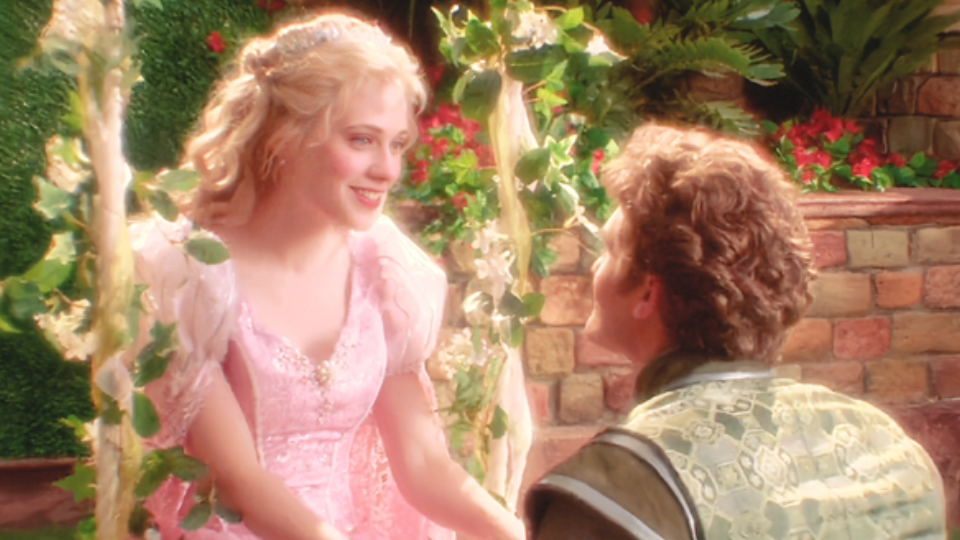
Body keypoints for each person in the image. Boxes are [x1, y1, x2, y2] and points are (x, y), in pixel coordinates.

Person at [130, 13, 524, 540]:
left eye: (397, 144)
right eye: (362, 140)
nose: (388, 170)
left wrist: (511, 531)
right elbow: (238, 481)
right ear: (284, 137)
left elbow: (423, 465)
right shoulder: (191, 274)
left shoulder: (385, 272)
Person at [524, 123, 947, 540]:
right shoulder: (886, 447)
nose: (595, 267)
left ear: (650, 290)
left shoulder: (618, 493)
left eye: (610, 250)